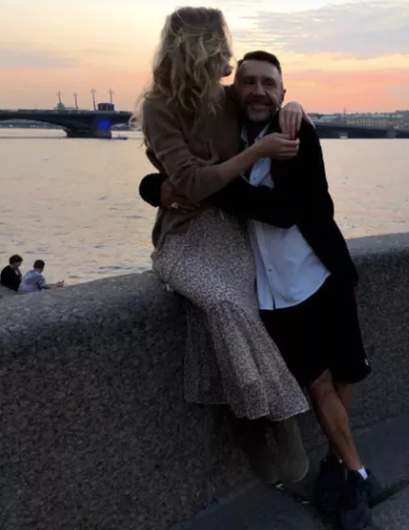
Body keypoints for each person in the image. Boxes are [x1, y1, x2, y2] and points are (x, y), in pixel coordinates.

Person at [139, 51, 380, 530]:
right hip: (274, 291)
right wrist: (159, 188)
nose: (258, 91)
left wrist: (205, 184)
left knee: (344, 375)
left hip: (323, 272)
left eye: (269, 84)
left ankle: (338, 463)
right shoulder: (225, 134)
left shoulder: (295, 132)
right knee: (317, 383)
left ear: (283, 93)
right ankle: (358, 475)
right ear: (233, 88)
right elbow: (164, 175)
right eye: (248, 81)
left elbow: (284, 210)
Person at [134, 7, 313, 485]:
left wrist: (294, 107)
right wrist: (254, 154)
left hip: (231, 231)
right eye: (221, 48)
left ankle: (248, 423)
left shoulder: (227, 98)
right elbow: (191, 183)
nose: (228, 60)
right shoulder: (159, 107)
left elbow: (267, 101)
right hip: (184, 235)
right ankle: (278, 416)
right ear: (200, 49)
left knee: (217, 315)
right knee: (220, 303)